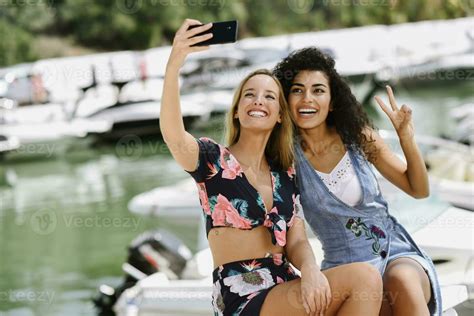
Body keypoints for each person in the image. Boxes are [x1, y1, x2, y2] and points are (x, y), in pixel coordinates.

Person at [160, 20, 383, 316]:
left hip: (286, 283)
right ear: (238, 110)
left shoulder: (285, 173)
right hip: (243, 291)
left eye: (269, 97)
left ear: (279, 115)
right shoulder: (211, 159)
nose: (258, 101)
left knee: (370, 284)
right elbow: (174, 134)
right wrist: (175, 63)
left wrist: (311, 270)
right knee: (363, 279)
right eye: (250, 94)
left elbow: (298, 240)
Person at [273, 47, 442, 315]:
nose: (307, 99)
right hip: (344, 269)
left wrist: (406, 139)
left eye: (318, 90)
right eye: (297, 90)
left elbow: (419, 190)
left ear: (332, 100)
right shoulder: (284, 158)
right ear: (285, 98)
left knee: (402, 282)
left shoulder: (358, 137)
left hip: (395, 255)